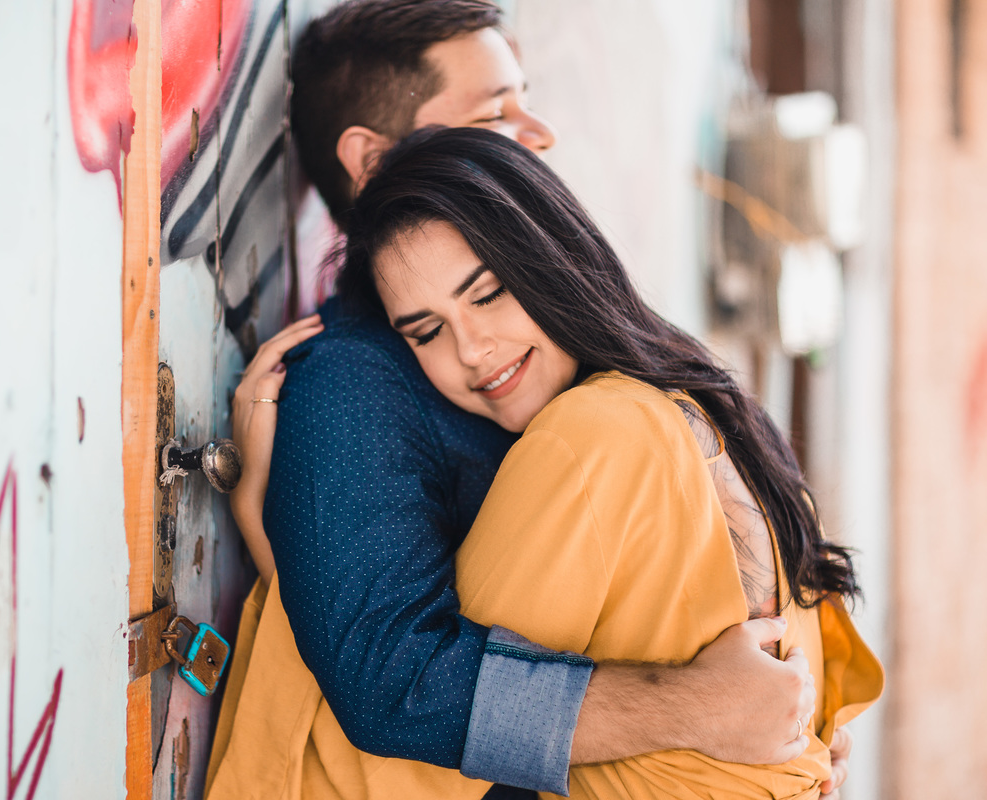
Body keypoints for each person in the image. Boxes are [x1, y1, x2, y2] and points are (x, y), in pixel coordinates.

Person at [207, 2, 842, 797]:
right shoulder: (356, 384)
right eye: (495, 117)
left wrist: (804, 725)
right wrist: (697, 710)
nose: (537, 136)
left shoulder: (610, 373)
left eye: (490, 292)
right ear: (374, 161)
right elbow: (390, 680)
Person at [325, 126, 884, 797]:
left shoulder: (586, 439)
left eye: (488, 293)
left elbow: (416, 735)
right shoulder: (712, 413)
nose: (471, 349)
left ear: (550, 256)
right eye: (427, 332)